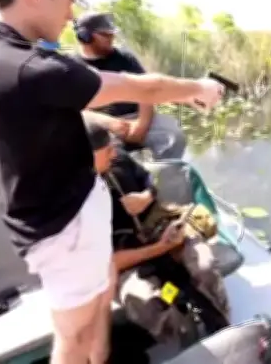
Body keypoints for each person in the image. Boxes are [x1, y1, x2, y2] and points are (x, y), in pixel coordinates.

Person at [0, 0, 225, 364]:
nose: (71, 14)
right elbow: (138, 86)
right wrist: (197, 88)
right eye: (67, 0)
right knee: (73, 339)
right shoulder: (28, 67)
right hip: (61, 228)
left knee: (96, 309)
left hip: (59, 215)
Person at [86, 121, 230, 342]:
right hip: (126, 258)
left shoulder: (118, 159)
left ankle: (221, 319)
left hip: (160, 228)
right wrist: (161, 247)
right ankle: (183, 332)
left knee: (204, 266)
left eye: (112, 147)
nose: (114, 153)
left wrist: (146, 197)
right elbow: (108, 263)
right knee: (144, 303)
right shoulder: (74, 201)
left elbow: (150, 179)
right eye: (107, 151)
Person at [71, 12, 187, 159]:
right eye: (105, 35)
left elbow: (147, 92)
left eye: (112, 34)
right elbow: (76, 110)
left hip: (136, 117)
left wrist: (141, 126)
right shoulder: (72, 66)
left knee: (174, 135)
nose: (111, 38)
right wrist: (108, 122)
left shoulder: (125, 58)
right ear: (85, 37)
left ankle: (162, 172)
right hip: (100, 123)